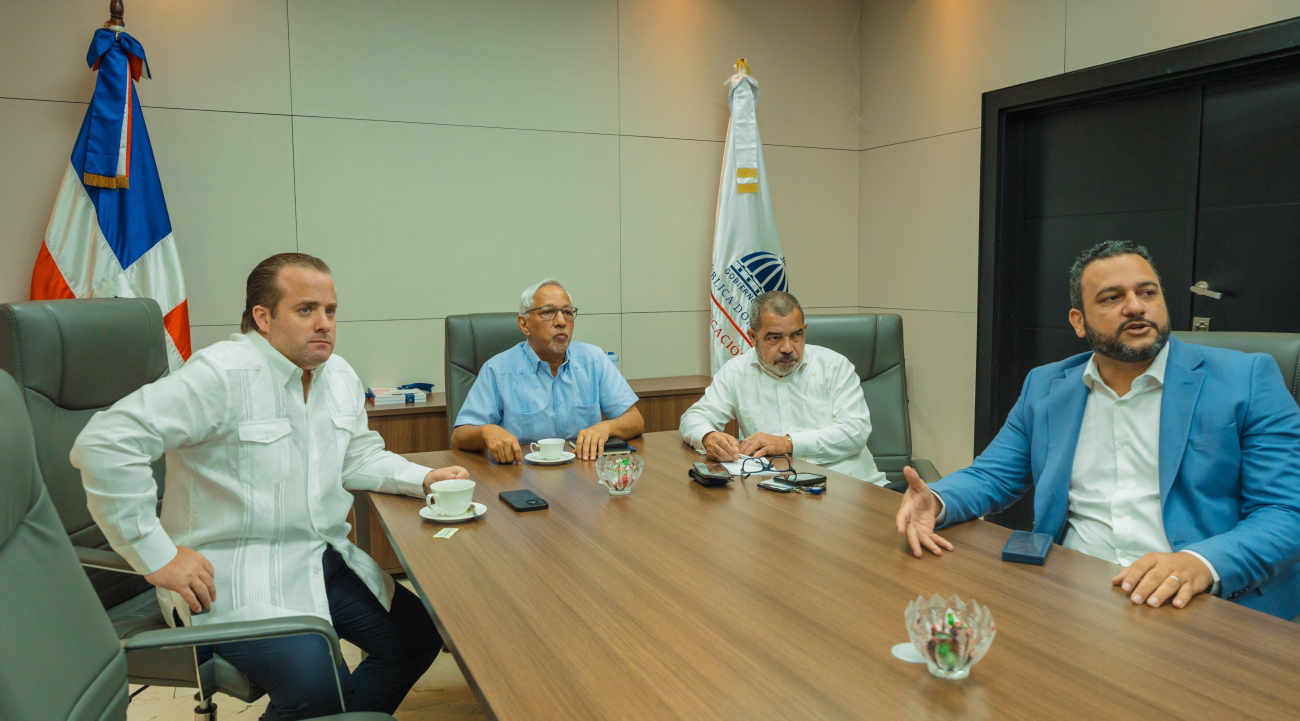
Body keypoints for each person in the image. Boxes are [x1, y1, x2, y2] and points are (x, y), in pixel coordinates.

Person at [72, 253, 465, 719]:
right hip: (228, 578)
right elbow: (104, 444)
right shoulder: (220, 374)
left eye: (330, 311)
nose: (324, 324)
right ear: (263, 317)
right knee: (321, 685)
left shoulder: (338, 375)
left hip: (319, 557)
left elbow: (358, 456)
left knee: (417, 637)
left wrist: (425, 478)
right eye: (306, 310)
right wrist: (157, 555)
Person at [895, 240, 1300, 619]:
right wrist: (939, 499)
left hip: (1198, 603)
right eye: (1112, 298)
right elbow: (994, 475)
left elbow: (1285, 512)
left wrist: (1202, 563)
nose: (1135, 307)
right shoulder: (1047, 385)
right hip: (1071, 595)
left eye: (1148, 293)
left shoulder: (1246, 378)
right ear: (1079, 321)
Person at [679, 291, 886, 484]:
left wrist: (788, 443)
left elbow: (856, 431)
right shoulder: (736, 371)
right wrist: (709, 437)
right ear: (752, 337)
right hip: (780, 492)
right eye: (774, 338)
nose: (788, 348)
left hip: (851, 487)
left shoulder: (834, 366)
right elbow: (694, 417)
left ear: (804, 330)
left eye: (796, 335)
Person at [451, 278, 644, 462]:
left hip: (583, 476)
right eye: (548, 312)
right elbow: (459, 437)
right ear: (524, 324)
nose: (561, 321)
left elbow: (635, 420)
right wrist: (486, 431)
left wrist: (606, 428)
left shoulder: (594, 360)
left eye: (567, 313)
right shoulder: (497, 370)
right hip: (520, 476)